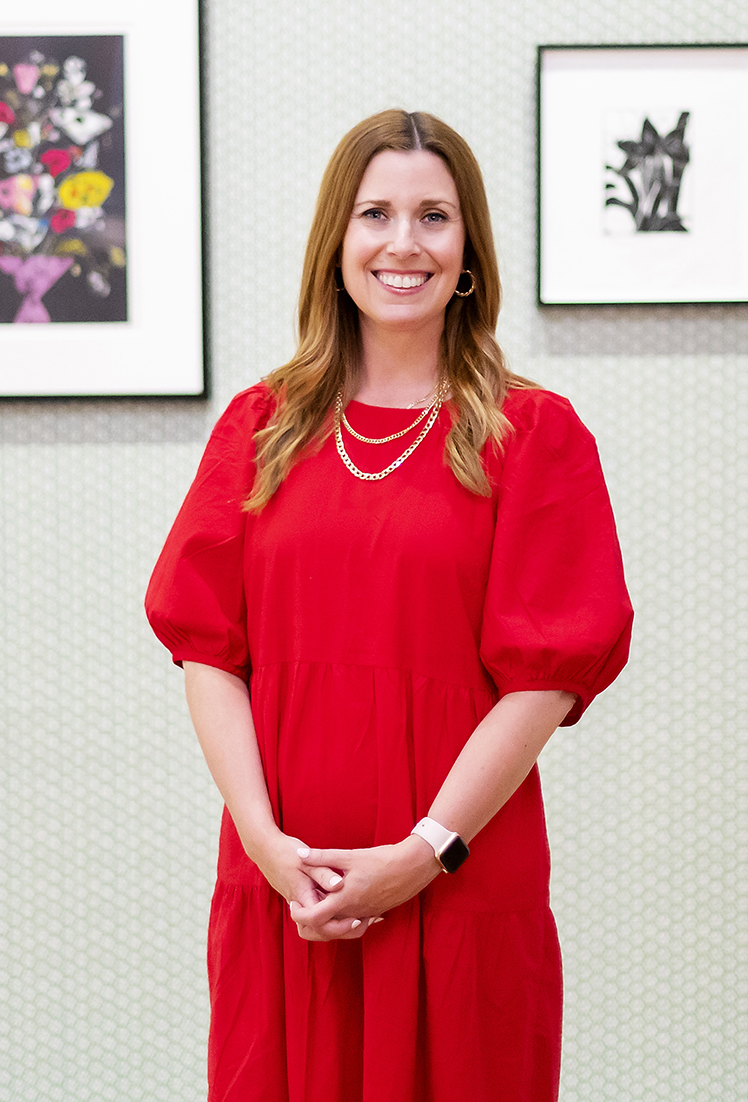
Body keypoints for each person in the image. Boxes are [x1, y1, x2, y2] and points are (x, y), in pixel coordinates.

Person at [145, 109, 633, 1101]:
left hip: (457, 888)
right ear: (336, 243)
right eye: (374, 213)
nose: (401, 242)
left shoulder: (535, 435)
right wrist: (266, 846)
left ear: (467, 252)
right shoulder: (259, 425)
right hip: (290, 891)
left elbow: (541, 683)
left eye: (432, 216)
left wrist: (423, 852)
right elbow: (208, 655)